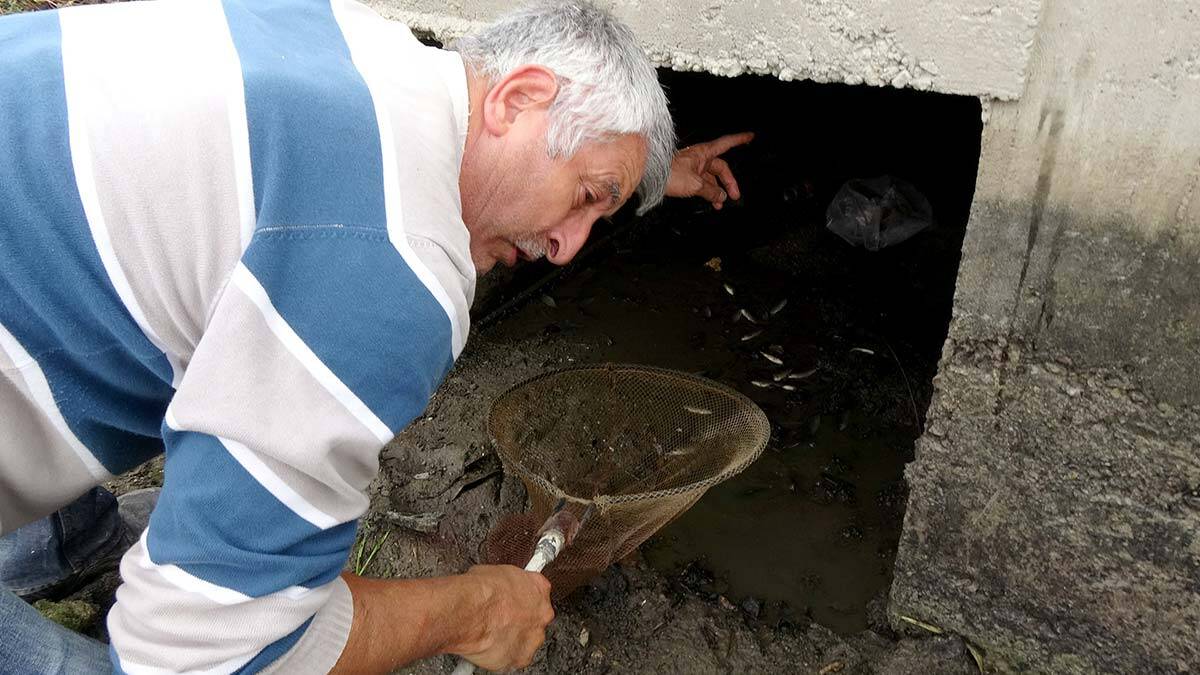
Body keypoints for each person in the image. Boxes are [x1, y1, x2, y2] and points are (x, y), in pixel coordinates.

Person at [0, 0, 751, 672]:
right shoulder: (390, 264)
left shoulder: (353, 38)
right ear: (518, 98)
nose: (569, 246)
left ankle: (60, 543)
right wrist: (478, 609)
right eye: (586, 198)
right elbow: (202, 657)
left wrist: (633, 176)